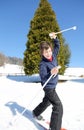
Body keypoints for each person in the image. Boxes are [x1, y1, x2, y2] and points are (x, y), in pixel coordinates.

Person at [33, 32, 63, 130]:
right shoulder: (43, 64)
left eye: (49, 51)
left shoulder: (53, 56)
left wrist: (55, 38)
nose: (48, 53)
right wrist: (51, 72)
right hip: (48, 87)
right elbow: (43, 77)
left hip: (53, 86)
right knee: (58, 106)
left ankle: (36, 112)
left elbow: (57, 46)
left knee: (47, 102)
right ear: (42, 53)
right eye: (46, 52)